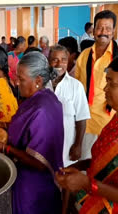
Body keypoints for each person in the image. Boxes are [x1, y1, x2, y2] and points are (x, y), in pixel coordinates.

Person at [0, 51, 63, 214]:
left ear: (38, 80)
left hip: (34, 186)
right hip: (28, 178)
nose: (16, 83)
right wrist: (5, 125)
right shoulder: (41, 98)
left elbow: (39, 162)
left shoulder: (42, 109)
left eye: (21, 79)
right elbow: (26, 126)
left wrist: (5, 149)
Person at [56, 57, 118, 214]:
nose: (105, 89)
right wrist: (81, 165)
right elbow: (106, 160)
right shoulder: (115, 120)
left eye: (112, 84)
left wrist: (87, 183)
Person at [75, 10, 118, 160]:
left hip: (110, 124)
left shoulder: (117, 58)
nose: (103, 32)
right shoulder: (84, 55)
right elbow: (78, 89)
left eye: (108, 28)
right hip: (84, 124)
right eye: (99, 28)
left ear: (114, 31)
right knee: (85, 167)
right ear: (93, 31)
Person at [48, 45, 90, 167]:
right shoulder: (41, 84)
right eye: (55, 59)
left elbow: (81, 118)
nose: (59, 64)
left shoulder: (76, 86)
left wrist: (78, 145)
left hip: (66, 147)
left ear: (68, 61)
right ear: (49, 61)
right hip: (44, 146)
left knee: (65, 179)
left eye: (63, 60)